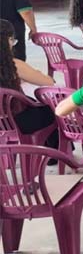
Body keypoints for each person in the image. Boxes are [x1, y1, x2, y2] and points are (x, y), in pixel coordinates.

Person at [0, 19, 59, 156]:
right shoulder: (14, 65)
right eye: (12, 40)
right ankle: (55, 155)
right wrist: (35, 74)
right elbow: (49, 82)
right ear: (7, 41)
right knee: (52, 109)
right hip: (15, 121)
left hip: (2, 121)